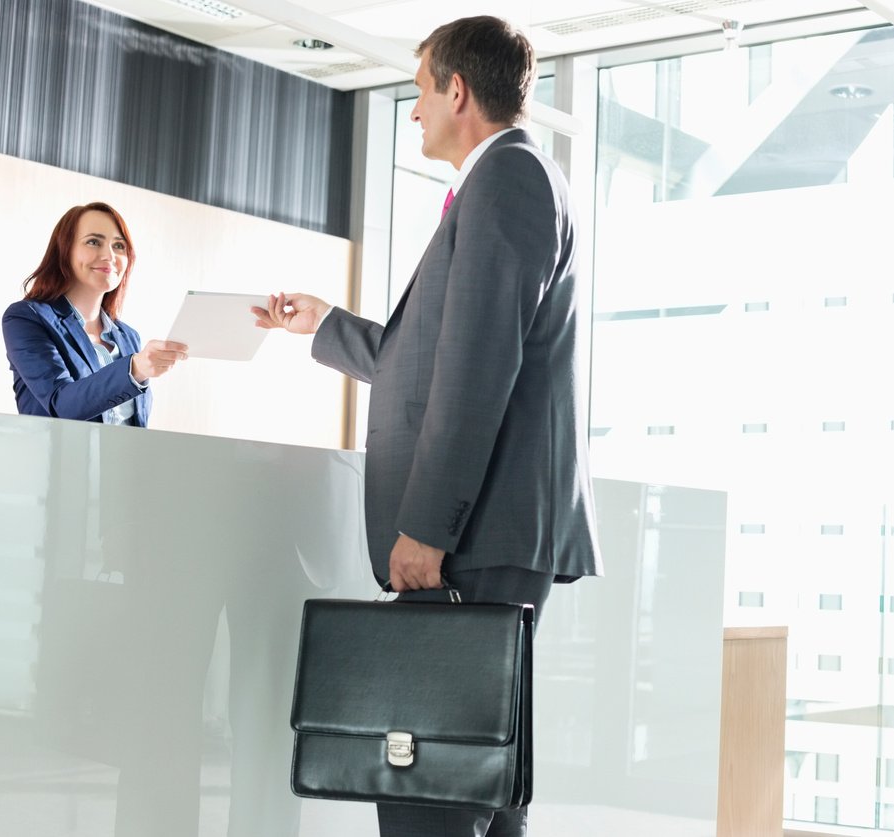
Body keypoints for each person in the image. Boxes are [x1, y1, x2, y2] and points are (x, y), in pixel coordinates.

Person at [253, 15, 601, 836]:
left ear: (456, 90)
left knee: (426, 792)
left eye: (417, 90)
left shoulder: (507, 180)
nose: (412, 111)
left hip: (474, 531)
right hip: (488, 529)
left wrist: (425, 527)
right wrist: (326, 324)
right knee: (474, 777)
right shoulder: (505, 182)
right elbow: (438, 361)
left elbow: (477, 371)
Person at [2, 201, 187, 425]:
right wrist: (135, 369)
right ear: (64, 250)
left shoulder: (128, 335)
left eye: (119, 246)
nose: (109, 255)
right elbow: (62, 404)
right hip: (60, 460)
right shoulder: (26, 318)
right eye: (93, 242)